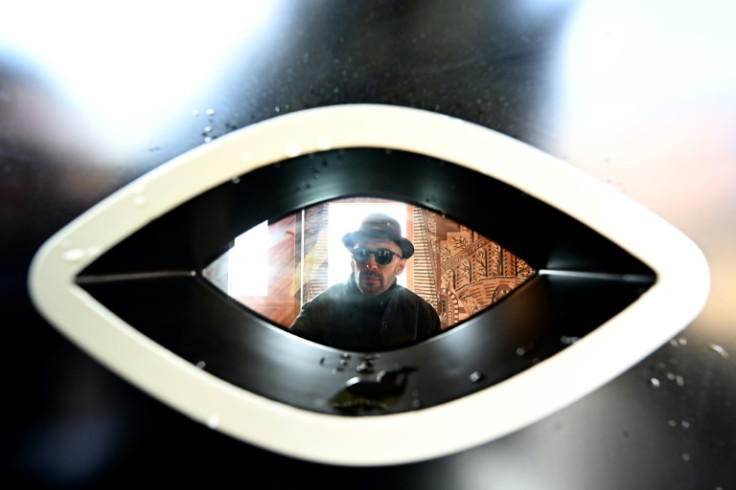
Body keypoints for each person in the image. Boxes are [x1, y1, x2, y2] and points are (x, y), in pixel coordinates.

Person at [290, 213, 442, 351]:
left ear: (400, 266)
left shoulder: (422, 315)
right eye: (361, 253)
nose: (371, 265)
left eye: (383, 255)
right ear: (352, 261)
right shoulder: (318, 311)